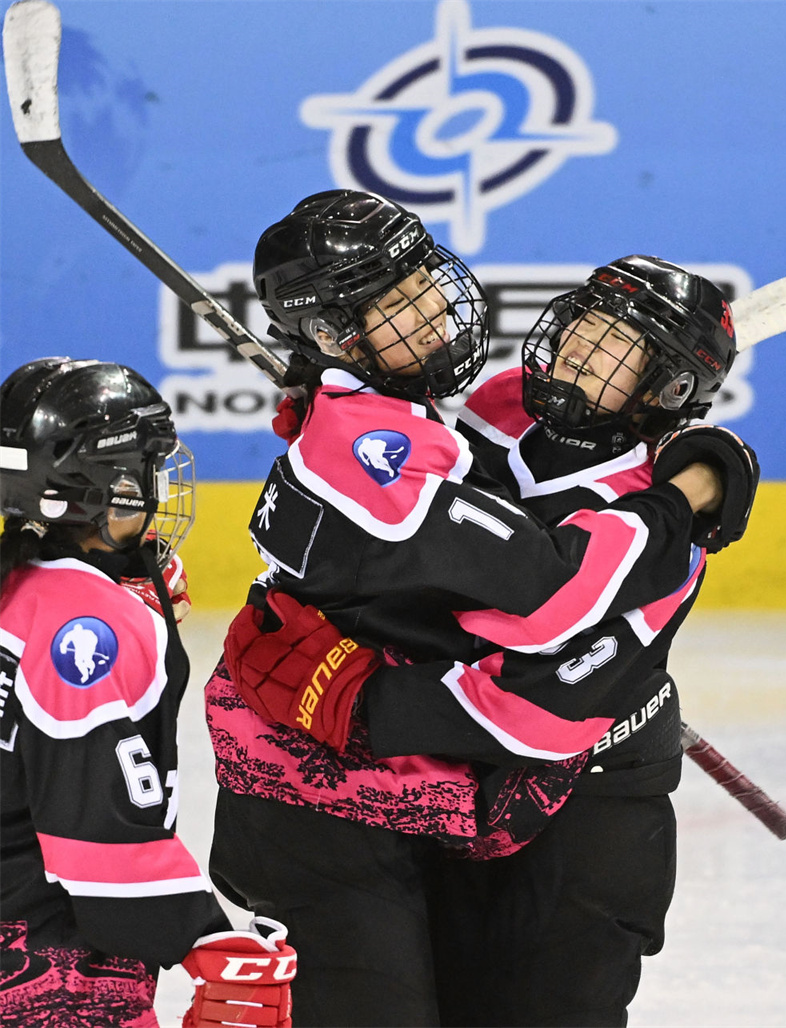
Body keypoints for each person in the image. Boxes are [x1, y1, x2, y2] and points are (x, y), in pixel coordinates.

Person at [203, 189, 750, 1026]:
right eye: (584, 322)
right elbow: (407, 495)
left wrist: (357, 702)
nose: (579, 346)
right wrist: (346, 399)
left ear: (667, 385)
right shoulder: (496, 409)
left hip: (582, 805)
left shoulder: (661, 530)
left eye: (616, 344)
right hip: (441, 802)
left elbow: (533, 700)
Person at [0, 357, 297, 1028]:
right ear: (111, 488)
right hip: (46, 966)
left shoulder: (22, 587)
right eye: (147, 468)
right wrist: (204, 939)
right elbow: (91, 828)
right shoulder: (87, 628)